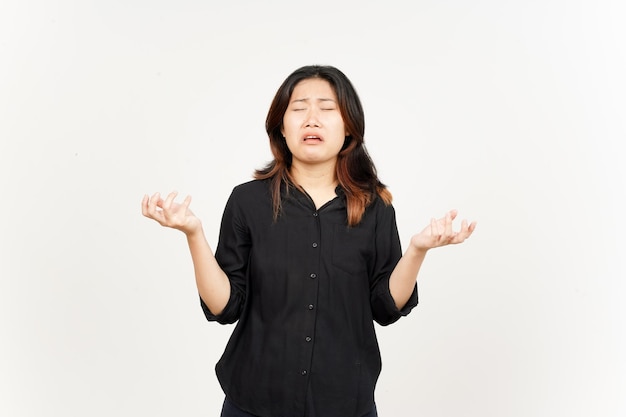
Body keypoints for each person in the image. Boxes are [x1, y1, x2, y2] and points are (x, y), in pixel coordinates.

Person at [141, 65, 476, 417]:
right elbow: (225, 307)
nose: (312, 119)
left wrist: (417, 250)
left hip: (345, 403)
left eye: (327, 109)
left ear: (348, 127)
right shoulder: (247, 202)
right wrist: (194, 234)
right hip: (253, 402)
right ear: (281, 128)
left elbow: (385, 307)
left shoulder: (375, 208)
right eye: (299, 109)